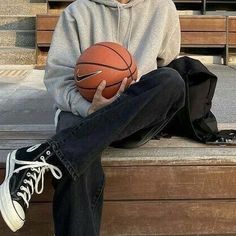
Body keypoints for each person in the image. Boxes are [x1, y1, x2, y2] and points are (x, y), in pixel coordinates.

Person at [0, 0, 186, 235]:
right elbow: (59, 79)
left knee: (172, 80)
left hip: (133, 119)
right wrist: (89, 109)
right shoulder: (78, 12)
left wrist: (128, 103)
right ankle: (59, 152)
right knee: (77, 162)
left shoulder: (162, 8)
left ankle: (41, 155)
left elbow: (166, 66)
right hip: (82, 113)